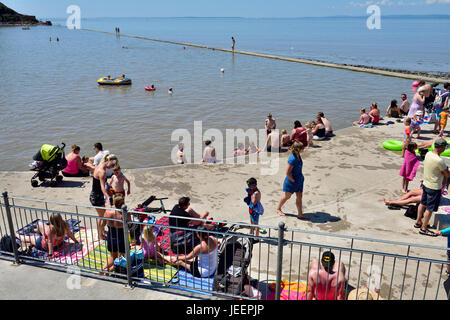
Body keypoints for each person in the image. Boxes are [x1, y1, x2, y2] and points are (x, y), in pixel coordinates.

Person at [415, 138, 450, 236]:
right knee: (429, 209)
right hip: (434, 187)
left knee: (422, 203)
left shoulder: (428, 154)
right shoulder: (440, 161)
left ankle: (418, 222)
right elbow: (447, 174)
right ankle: (424, 228)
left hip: (426, 183)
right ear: (442, 148)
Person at [276, 142, 309, 219]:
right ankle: (278, 208)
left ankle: (300, 214)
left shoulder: (298, 156)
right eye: (302, 148)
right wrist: (293, 180)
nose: (303, 149)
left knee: (299, 196)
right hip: (291, 182)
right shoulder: (292, 159)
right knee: (287, 197)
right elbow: (287, 172)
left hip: (299, 180)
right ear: (298, 149)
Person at [90, 153, 119, 240]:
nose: (113, 167)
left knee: (102, 216)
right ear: (108, 161)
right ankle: (100, 235)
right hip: (97, 196)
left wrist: (111, 190)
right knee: (102, 217)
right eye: (113, 165)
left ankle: (101, 231)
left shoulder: (99, 166)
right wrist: (108, 197)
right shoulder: (102, 172)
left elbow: (103, 183)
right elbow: (102, 188)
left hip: (96, 195)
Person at [100, 194, 130, 273]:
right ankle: (110, 270)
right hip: (122, 237)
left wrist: (102, 232)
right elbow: (130, 225)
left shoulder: (108, 212)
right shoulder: (125, 213)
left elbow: (103, 223)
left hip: (111, 236)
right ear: (123, 202)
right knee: (124, 257)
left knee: (112, 257)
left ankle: (103, 269)